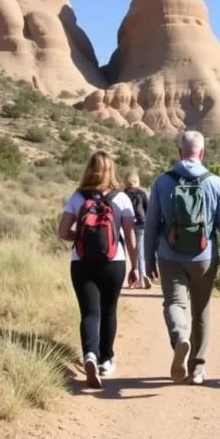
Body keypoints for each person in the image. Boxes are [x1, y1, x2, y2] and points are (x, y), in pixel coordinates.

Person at [142, 130, 220, 385]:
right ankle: (197, 369)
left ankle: (179, 336)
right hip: (205, 257)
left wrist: (147, 258)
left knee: (174, 304)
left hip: (169, 255)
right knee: (202, 309)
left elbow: (151, 224)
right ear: (202, 153)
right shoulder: (216, 182)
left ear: (179, 152)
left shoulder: (162, 182)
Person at [56, 151, 138, 389]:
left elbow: (62, 232)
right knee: (109, 311)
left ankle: (89, 355)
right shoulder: (122, 199)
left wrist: (81, 237)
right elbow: (130, 236)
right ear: (112, 170)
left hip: (81, 262)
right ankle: (106, 360)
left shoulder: (77, 197)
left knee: (90, 312)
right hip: (115, 262)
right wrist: (135, 266)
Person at [124, 170, 151, 289]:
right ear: (137, 182)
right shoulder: (142, 193)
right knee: (141, 251)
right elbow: (147, 209)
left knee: (129, 250)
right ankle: (142, 276)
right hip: (141, 224)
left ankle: (131, 275)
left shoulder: (123, 194)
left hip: (127, 225)